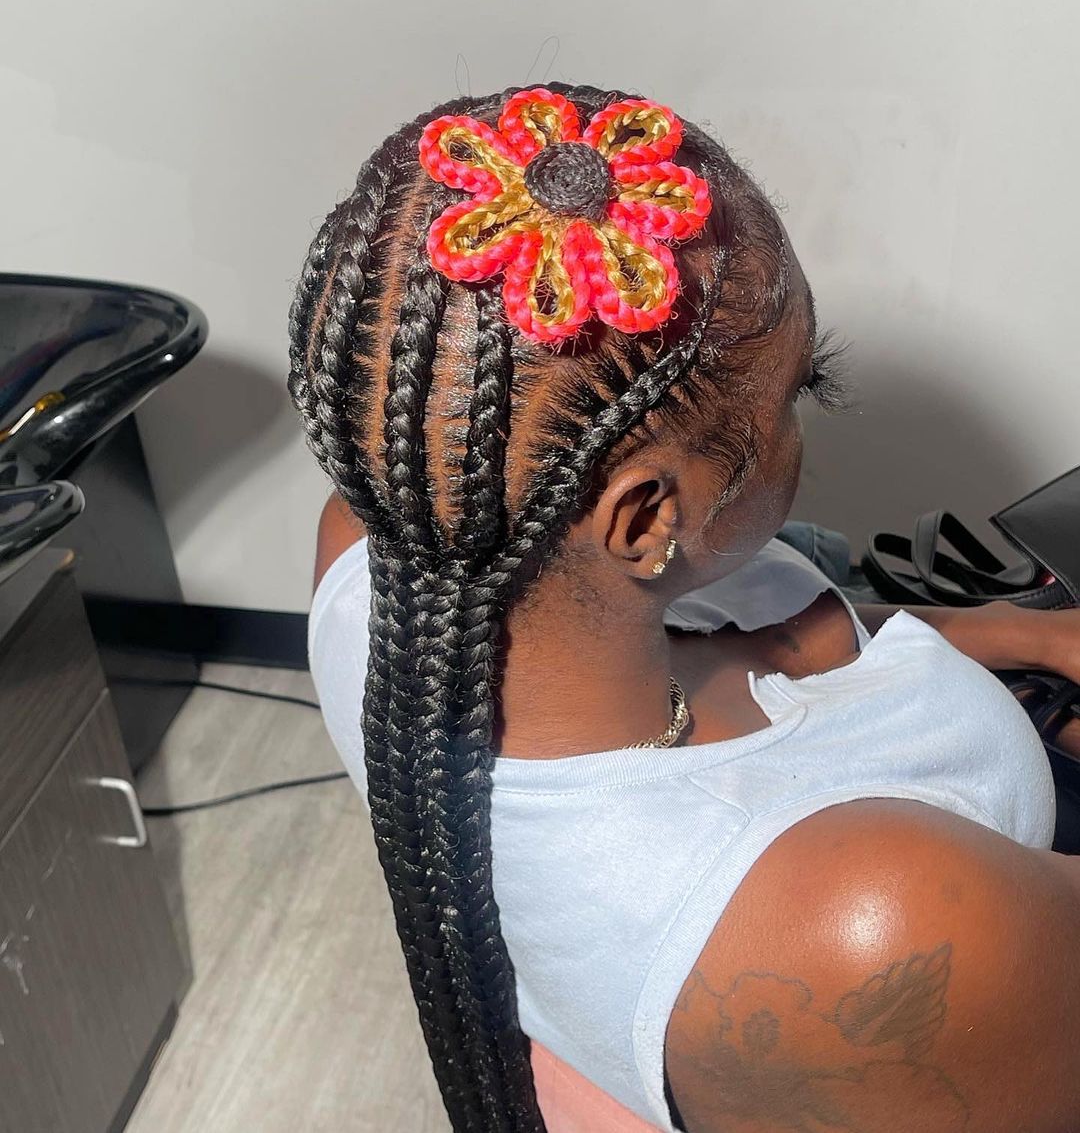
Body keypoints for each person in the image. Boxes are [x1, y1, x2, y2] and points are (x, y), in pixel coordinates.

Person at [290, 83, 1080, 1133]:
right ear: (646, 517)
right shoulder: (868, 927)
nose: (806, 423)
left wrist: (1012, 637)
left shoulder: (375, 547)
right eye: (806, 388)